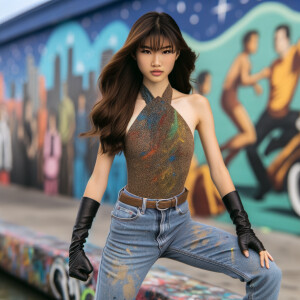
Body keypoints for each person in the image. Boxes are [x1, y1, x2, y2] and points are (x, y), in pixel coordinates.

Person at [68, 12, 282, 300]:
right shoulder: (119, 109)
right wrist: (77, 244)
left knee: (268, 273)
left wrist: (243, 226)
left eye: (165, 51)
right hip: (131, 228)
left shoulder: (197, 105)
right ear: (135, 54)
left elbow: (218, 169)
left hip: (180, 223)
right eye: (147, 51)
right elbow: (97, 178)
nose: (157, 62)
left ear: (176, 53)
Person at [245, 24, 300, 200]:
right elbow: (254, 77)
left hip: (287, 114)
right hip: (270, 115)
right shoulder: (274, 64)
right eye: (274, 38)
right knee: (250, 147)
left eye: (279, 38)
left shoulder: (294, 58)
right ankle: (264, 183)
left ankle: (279, 141)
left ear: (288, 40)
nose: (276, 42)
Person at [220, 30, 270, 166]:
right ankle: (218, 151)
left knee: (245, 136)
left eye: (257, 42)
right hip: (229, 97)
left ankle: (224, 163)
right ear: (246, 43)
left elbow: (241, 79)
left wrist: (255, 85)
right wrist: (262, 75)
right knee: (250, 135)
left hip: (228, 97)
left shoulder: (243, 58)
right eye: (254, 41)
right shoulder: (243, 58)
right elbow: (244, 79)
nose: (256, 45)